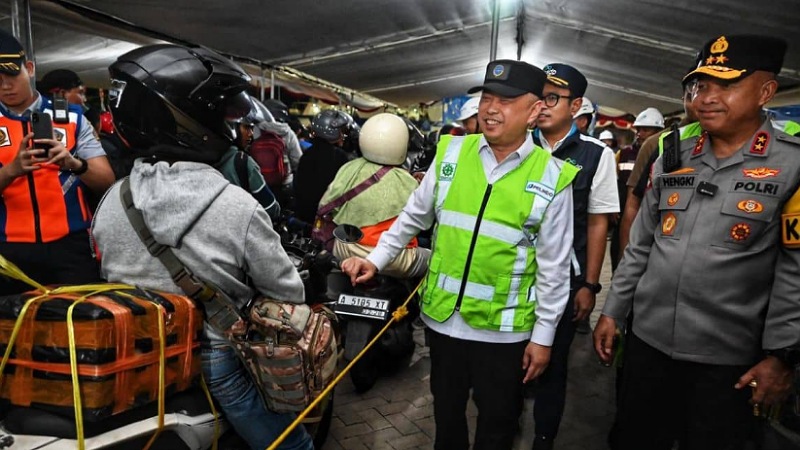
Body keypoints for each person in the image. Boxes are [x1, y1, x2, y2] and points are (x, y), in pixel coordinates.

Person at [341, 59, 578, 450]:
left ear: (535, 111)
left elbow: (553, 269)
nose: (490, 108)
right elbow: (412, 217)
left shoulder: (553, 177)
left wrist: (543, 337)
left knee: (498, 424)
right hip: (445, 324)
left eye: (505, 100)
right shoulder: (451, 153)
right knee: (446, 418)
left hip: (505, 333)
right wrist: (375, 259)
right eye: (487, 97)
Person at [91, 43, 313, 450]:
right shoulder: (236, 205)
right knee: (294, 445)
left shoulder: (112, 200)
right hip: (216, 358)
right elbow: (288, 292)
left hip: (133, 355)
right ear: (190, 119)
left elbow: (107, 268)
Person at [594, 35, 800, 450]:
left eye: (725, 85)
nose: (705, 97)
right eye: (700, 85)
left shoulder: (792, 164)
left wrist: (781, 357)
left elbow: (795, 272)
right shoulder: (673, 153)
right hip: (648, 347)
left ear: (765, 92)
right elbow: (642, 245)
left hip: (727, 362)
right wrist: (613, 310)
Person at [530, 63, 619, 450]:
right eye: (539, 96)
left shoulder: (596, 155)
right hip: (514, 277)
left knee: (553, 364)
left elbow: (598, 224)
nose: (543, 105)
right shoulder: (517, 144)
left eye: (553, 97)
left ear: (576, 105)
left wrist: (590, 285)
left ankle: (543, 438)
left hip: (565, 282)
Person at [0, 29, 114, 295]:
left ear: (28, 68)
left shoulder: (73, 117)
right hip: (9, 250)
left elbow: (107, 180)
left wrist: (73, 163)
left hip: (71, 246)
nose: (5, 85)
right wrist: (10, 171)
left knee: (84, 327)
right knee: (15, 334)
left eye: (11, 74)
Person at [321, 113, 430, 278]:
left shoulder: (349, 168)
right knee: (433, 259)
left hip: (345, 250)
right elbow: (424, 221)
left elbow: (325, 204)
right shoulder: (408, 182)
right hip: (394, 260)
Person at [617, 82, 699, 261]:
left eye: (645, 129)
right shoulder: (662, 143)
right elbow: (633, 204)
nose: (704, 100)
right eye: (693, 94)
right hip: (659, 259)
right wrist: (624, 267)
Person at [611, 107, 663, 270]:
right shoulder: (624, 153)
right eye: (638, 129)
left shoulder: (662, 154)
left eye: (645, 130)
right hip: (623, 217)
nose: (640, 133)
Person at [293, 109, 352, 224]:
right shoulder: (339, 156)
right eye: (341, 131)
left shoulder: (308, 153)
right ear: (331, 131)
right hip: (326, 219)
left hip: (303, 215)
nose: (343, 135)